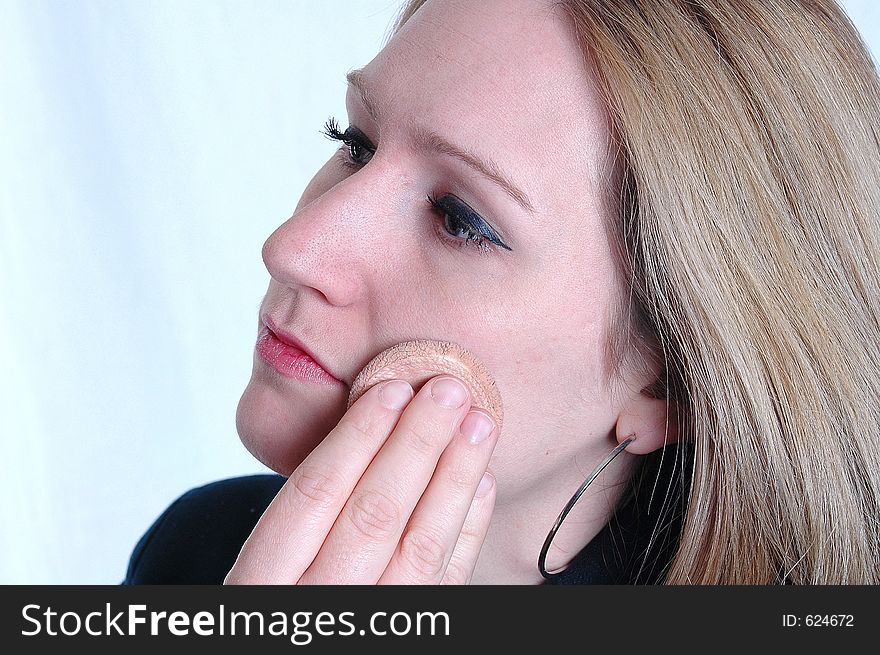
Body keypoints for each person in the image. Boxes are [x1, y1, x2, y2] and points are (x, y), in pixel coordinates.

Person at [124, 0, 880, 585]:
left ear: (667, 384)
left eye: (459, 219)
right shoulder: (202, 558)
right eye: (354, 144)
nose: (293, 248)